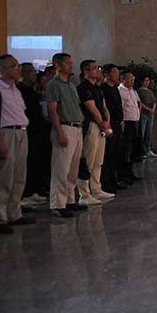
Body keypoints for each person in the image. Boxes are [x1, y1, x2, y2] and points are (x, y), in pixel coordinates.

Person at [0, 55, 34, 233]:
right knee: (4, 177)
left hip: (21, 132)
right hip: (7, 133)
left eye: (18, 66)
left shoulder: (15, 90)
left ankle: (14, 213)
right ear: (2, 69)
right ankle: (0, 217)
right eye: (13, 66)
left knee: (19, 176)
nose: (18, 69)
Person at [46, 53, 86, 218]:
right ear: (58, 65)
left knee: (72, 169)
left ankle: (69, 200)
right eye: (67, 63)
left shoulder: (71, 85)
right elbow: (52, 111)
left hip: (77, 127)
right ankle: (58, 204)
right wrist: (60, 132)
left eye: (71, 62)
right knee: (61, 168)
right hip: (64, 126)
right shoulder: (53, 85)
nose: (71, 65)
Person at [76, 60, 113, 205]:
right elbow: (92, 109)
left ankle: (96, 189)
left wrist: (107, 121)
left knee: (98, 161)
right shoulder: (84, 87)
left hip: (101, 126)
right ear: (86, 71)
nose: (98, 70)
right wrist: (102, 123)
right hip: (91, 125)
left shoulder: (97, 87)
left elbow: (103, 107)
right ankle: (84, 194)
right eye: (94, 68)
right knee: (88, 160)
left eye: (98, 68)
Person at [17, 63, 49, 202]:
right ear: (23, 73)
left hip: (38, 130)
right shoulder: (19, 90)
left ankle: (35, 189)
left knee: (37, 161)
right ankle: (26, 193)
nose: (34, 74)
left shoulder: (32, 92)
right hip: (27, 130)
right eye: (31, 72)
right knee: (27, 163)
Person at [101, 64, 125, 190]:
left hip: (117, 123)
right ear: (107, 74)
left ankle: (114, 180)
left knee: (116, 152)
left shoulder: (115, 88)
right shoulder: (103, 88)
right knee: (108, 154)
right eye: (115, 72)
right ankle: (106, 182)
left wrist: (122, 121)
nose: (117, 75)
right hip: (110, 124)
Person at [119, 72, 143, 181]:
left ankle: (131, 172)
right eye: (129, 78)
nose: (132, 81)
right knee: (126, 149)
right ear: (123, 79)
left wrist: (138, 112)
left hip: (135, 122)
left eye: (133, 78)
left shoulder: (133, 91)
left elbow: (138, 103)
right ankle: (123, 174)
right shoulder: (120, 91)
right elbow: (120, 108)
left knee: (133, 149)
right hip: (126, 123)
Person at [137, 76, 157, 158]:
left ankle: (148, 149)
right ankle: (141, 151)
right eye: (145, 80)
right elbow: (140, 103)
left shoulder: (150, 91)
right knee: (142, 132)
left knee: (149, 132)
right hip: (143, 113)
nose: (147, 82)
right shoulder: (139, 91)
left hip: (150, 114)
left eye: (148, 80)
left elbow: (154, 101)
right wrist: (148, 109)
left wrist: (153, 109)